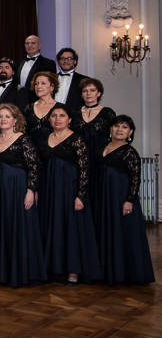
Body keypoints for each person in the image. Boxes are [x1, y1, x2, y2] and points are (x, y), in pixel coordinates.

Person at [0, 104, 46, 287]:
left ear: (15, 120)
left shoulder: (23, 140)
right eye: (0, 117)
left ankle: (16, 271)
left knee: (14, 226)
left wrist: (31, 190)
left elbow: (34, 167)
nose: (3, 120)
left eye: (7, 117)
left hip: (16, 188)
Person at [37, 105, 102, 285]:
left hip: (69, 190)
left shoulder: (77, 139)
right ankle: (52, 268)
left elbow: (84, 169)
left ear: (69, 120)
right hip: (49, 189)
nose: (57, 119)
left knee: (70, 228)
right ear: (49, 119)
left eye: (62, 116)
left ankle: (73, 271)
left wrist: (80, 195)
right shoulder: (45, 138)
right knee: (51, 225)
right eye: (54, 116)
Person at [96, 115, 155, 285]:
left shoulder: (130, 152)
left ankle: (126, 274)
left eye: (124, 127)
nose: (119, 130)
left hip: (121, 197)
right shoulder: (103, 147)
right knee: (107, 230)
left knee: (123, 233)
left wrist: (129, 200)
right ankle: (107, 271)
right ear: (111, 129)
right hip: (104, 196)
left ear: (130, 132)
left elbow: (136, 178)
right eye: (116, 126)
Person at [72, 78, 116, 233]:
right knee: (81, 200)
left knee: (99, 201)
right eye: (85, 91)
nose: (88, 93)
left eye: (92, 90)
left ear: (99, 93)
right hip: (79, 163)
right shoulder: (75, 114)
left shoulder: (108, 113)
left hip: (100, 163)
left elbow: (114, 139)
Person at [24, 71, 64, 144]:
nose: (38, 86)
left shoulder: (61, 108)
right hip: (31, 151)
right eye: (36, 84)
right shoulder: (29, 108)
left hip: (53, 150)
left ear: (52, 87)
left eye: (43, 83)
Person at [16, 35, 56, 101]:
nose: (29, 45)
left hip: (38, 101)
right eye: (27, 43)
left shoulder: (48, 63)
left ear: (39, 46)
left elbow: (51, 84)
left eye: (33, 43)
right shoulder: (18, 63)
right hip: (19, 101)